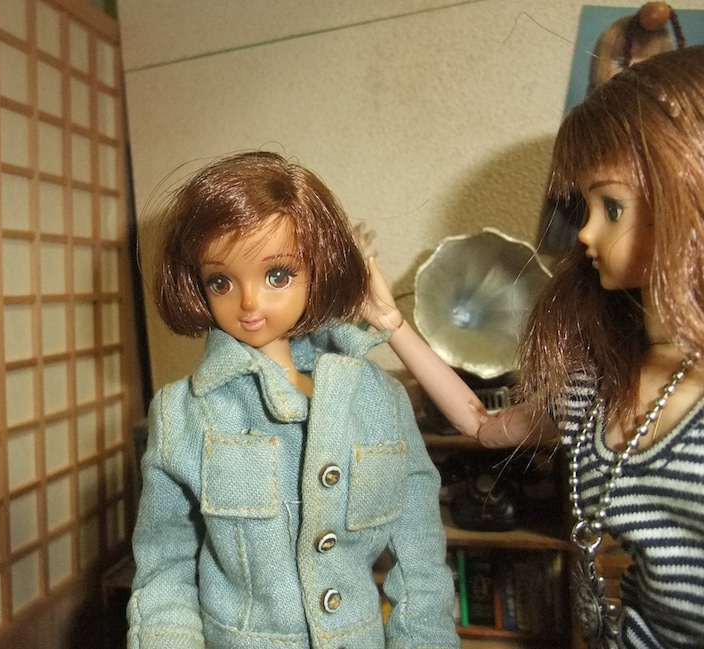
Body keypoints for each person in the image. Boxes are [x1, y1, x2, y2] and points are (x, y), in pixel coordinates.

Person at [363, 46, 704, 649]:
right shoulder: (593, 387)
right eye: (586, 206)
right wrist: (392, 323)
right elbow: (481, 425)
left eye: (612, 206)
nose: (585, 231)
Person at [126, 151, 460, 649]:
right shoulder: (184, 413)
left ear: (317, 272)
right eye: (221, 281)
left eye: (277, 275)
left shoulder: (379, 400)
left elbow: (420, 558)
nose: (249, 302)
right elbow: (164, 568)